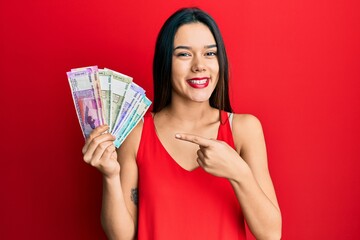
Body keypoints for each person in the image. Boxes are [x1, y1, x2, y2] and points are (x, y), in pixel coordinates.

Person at [82, 7, 282, 240]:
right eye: (184, 54)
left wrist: (239, 173)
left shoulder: (244, 129)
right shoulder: (137, 134)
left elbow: (271, 234)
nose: (199, 65)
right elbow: (121, 236)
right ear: (165, 62)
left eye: (210, 53)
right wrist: (110, 177)